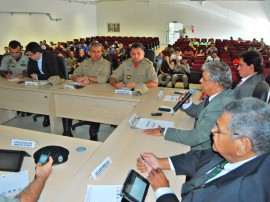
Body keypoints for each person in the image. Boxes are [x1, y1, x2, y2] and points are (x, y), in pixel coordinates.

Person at [137, 98, 270, 202]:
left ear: (242, 145)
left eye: (219, 129)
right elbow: (201, 157)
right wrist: (161, 162)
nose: (212, 130)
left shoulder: (241, 194)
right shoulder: (241, 153)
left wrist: (163, 190)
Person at [144, 61, 235, 150]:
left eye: (204, 78)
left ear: (216, 84)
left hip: (204, 151)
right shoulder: (215, 94)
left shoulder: (221, 106)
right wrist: (187, 103)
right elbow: (198, 112)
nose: (200, 80)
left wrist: (164, 131)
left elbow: (196, 137)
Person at [72, 41, 111, 141]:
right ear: (89, 52)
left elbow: (103, 79)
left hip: (98, 94)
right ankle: (66, 131)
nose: (97, 54)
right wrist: (78, 79)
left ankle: (93, 133)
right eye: (94, 52)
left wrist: (88, 78)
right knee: (67, 100)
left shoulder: (106, 64)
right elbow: (75, 74)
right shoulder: (85, 62)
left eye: (99, 51)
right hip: (83, 91)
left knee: (95, 107)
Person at [26, 42, 59, 127]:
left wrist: (38, 77)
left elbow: (53, 74)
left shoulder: (50, 57)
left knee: (46, 95)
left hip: (53, 83)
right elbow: (29, 72)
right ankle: (44, 112)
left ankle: (47, 115)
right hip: (40, 83)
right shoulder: (31, 59)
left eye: (30, 55)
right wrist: (38, 77)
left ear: (37, 53)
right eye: (28, 55)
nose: (29, 57)